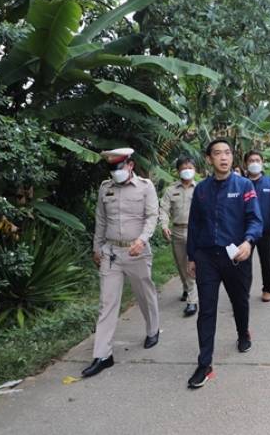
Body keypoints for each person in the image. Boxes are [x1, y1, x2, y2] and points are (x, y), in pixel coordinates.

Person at [186, 140, 263, 389]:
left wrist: (248, 241)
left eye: (227, 153)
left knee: (239, 301)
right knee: (206, 310)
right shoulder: (202, 190)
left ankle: (243, 332)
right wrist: (191, 257)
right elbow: (194, 225)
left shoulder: (244, 186)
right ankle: (204, 364)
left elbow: (255, 219)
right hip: (207, 256)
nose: (223, 157)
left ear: (232, 157)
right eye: (217, 153)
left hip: (236, 256)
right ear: (209, 159)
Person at [82, 148, 160, 378]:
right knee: (106, 303)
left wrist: (142, 240)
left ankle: (153, 329)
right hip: (111, 252)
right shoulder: (105, 188)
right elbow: (101, 220)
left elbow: (152, 217)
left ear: (130, 165)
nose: (116, 171)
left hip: (137, 252)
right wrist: (97, 248)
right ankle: (103, 355)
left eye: (119, 167)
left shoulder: (145, 186)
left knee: (144, 294)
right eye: (112, 168)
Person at [244, 150, 270, 302]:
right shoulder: (241, 183)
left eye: (257, 160)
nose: (254, 163)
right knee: (243, 264)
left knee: (268, 263)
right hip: (245, 232)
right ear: (246, 164)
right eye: (251, 161)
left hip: (266, 231)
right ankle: (243, 291)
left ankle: (267, 288)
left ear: (262, 163)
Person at [160, 156, 198, 317]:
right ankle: (186, 287)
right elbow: (163, 209)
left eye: (190, 167)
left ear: (195, 170)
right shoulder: (171, 190)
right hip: (177, 231)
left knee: (192, 265)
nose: (187, 171)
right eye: (183, 168)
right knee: (181, 264)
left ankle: (192, 300)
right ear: (178, 171)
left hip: (195, 231)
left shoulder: (200, 189)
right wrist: (164, 226)